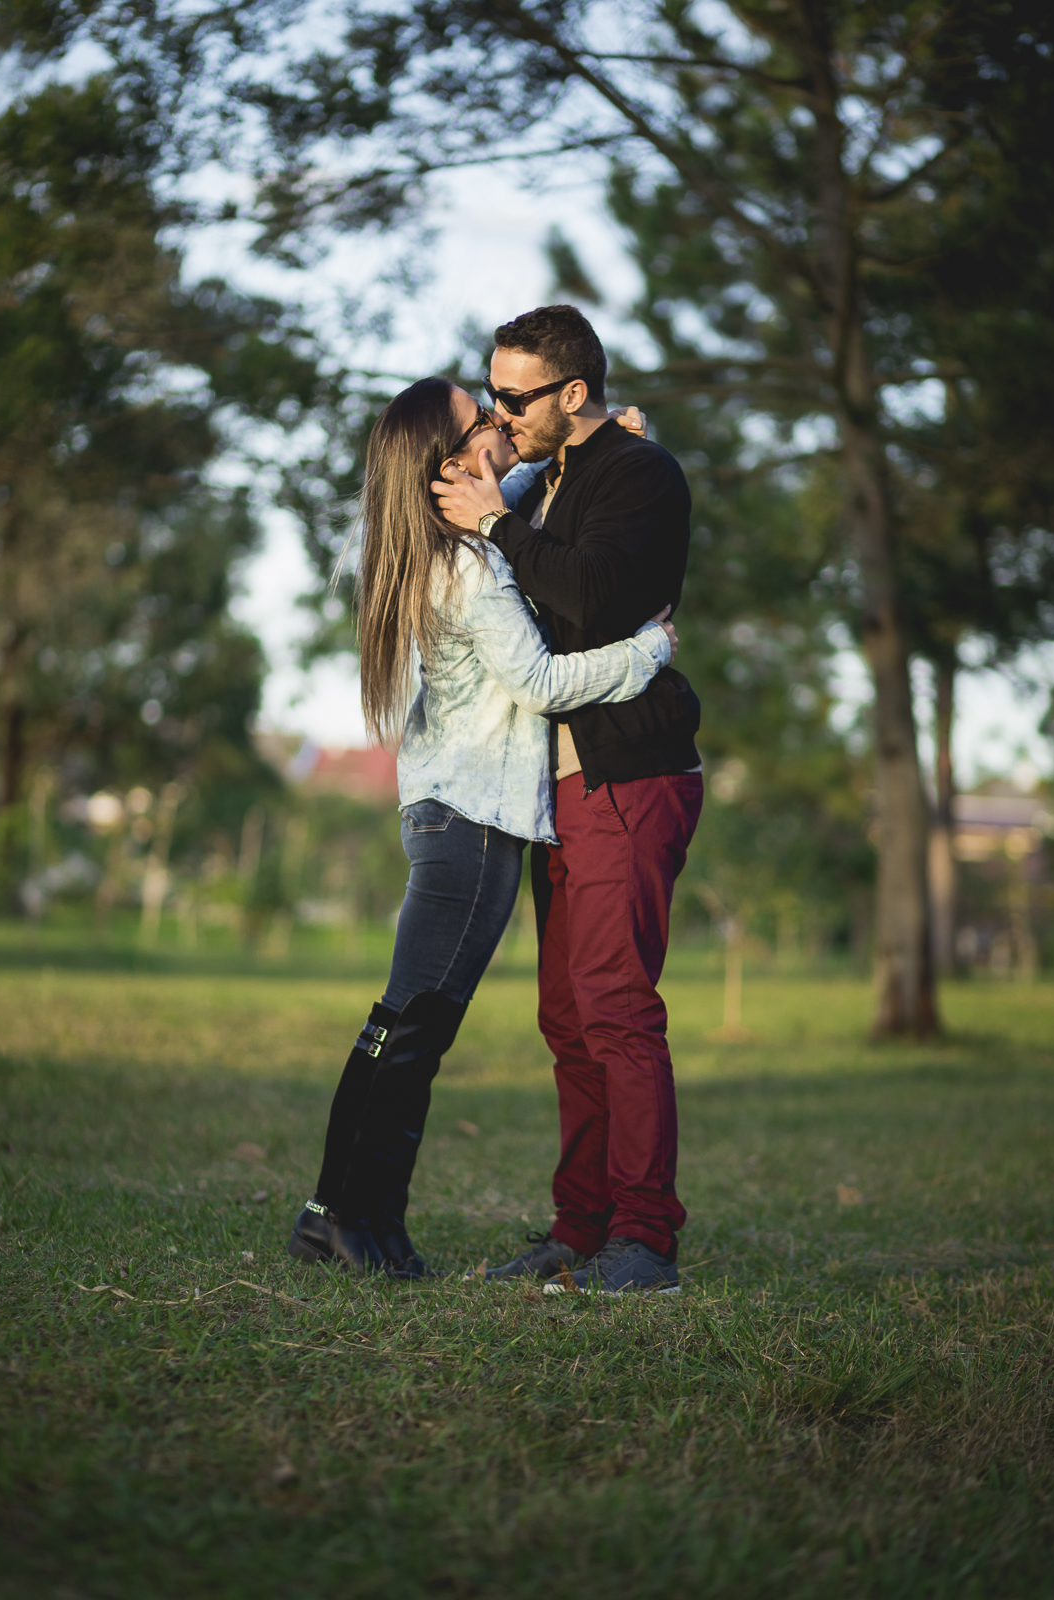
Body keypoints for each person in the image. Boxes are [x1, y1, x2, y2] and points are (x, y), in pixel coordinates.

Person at [287, 375, 678, 1278]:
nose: (502, 424)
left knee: (398, 1022)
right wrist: (650, 649)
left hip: (444, 812)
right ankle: (359, 1220)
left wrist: (602, 436)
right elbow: (539, 684)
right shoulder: (465, 565)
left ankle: (333, 1213)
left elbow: (506, 494)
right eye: (482, 419)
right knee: (415, 1026)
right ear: (451, 459)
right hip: (474, 822)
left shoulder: (434, 539)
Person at [432, 304, 704, 1296]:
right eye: (492, 391)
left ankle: (646, 1238)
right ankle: (580, 1228)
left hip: (627, 774)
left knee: (618, 1007)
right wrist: (505, 495)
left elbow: (591, 597)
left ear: (574, 393)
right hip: (554, 787)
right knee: (567, 1017)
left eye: (515, 395)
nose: (501, 409)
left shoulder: (641, 474)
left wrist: (502, 525)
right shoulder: (546, 479)